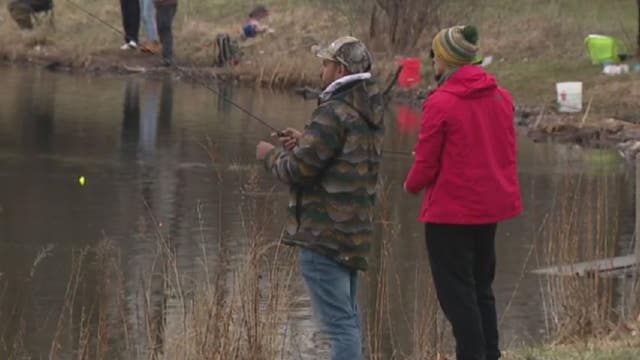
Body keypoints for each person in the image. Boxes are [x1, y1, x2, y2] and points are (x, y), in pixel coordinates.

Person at [255, 36, 384, 360]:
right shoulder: (367, 109)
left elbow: (297, 170)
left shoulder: (333, 112)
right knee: (349, 321)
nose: (321, 69)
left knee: (340, 326)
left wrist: (269, 156)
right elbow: (339, 154)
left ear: (339, 69)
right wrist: (306, 139)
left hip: (324, 236)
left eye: (325, 64)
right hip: (353, 234)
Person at [403, 25, 522, 360]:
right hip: (489, 211)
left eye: (435, 55)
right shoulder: (502, 97)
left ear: (446, 59)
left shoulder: (441, 102)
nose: (432, 61)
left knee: (457, 295)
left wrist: (410, 184)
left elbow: (426, 165)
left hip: (449, 215)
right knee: (481, 288)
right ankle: (490, 354)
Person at [154, 0, 177, 66]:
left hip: (168, 4)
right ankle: (166, 56)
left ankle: (168, 57)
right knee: (161, 29)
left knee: (165, 29)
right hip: (160, 5)